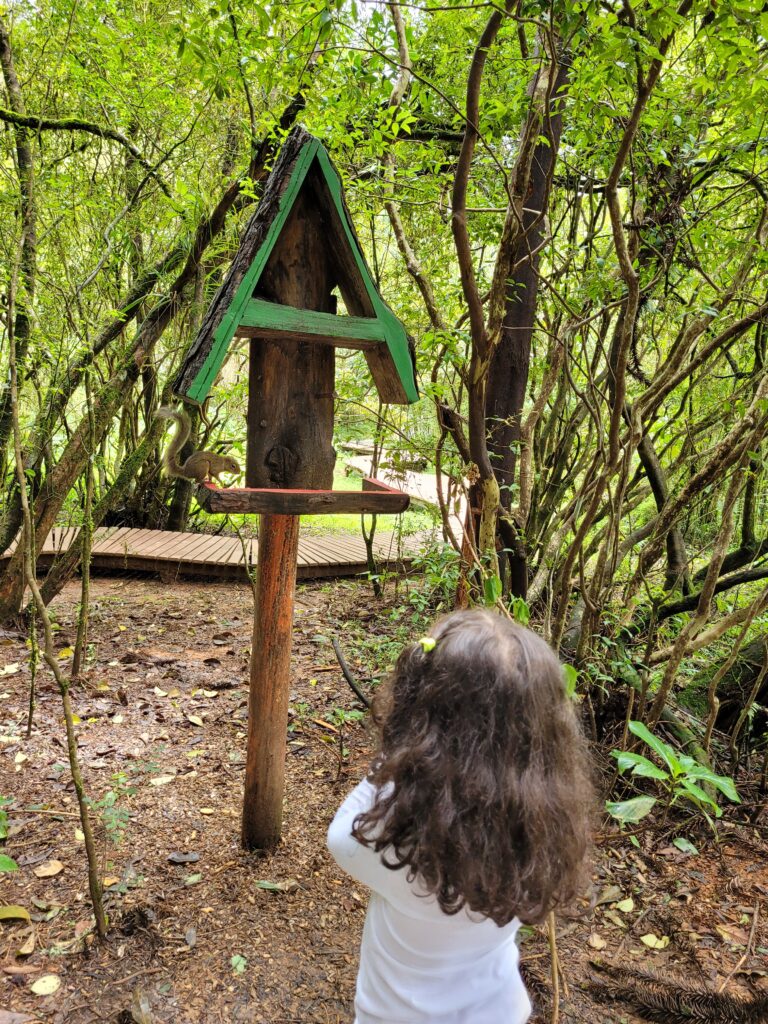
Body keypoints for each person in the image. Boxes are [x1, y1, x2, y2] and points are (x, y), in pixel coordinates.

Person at [327, 608, 594, 1024]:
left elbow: (340, 836)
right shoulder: (542, 827)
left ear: (424, 723)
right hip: (498, 1010)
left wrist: (394, 751)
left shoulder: (396, 840)